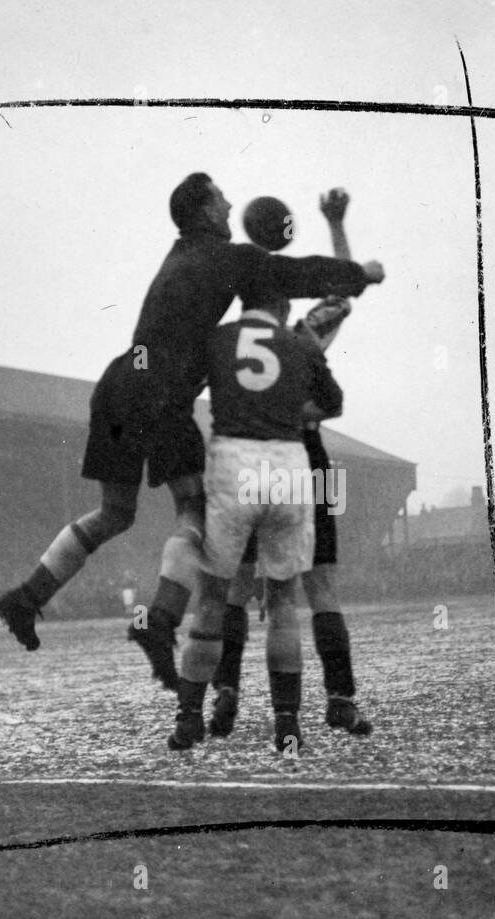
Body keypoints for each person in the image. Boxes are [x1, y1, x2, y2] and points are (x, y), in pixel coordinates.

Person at [0, 173, 384, 687]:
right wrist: (359, 273)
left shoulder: (181, 257)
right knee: (193, 514)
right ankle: (160, 619)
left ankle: (26, 597)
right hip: (164, 393)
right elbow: (299, 273)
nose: (229, 204)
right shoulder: (231, 261)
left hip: (117, 383)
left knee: (114, 513)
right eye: (220, 198)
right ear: (202, 212)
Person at [209, 189, 371, 739]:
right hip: (308, 455)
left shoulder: (237, 344)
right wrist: (336, 223)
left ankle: (226, 692)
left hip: (257, 459)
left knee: (240, 585)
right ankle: (340, 699)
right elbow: (348, 290)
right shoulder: (304, 339)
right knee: (320, 584)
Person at [168, 285, 343, 751]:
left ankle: (189, 717)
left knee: (213, 596)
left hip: (236, 464)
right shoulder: (300, 341)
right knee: (284, 601)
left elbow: (177, 392)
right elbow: (333, 401)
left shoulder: (219, 338)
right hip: (289, 464)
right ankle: (287, 722)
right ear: (285, 307)